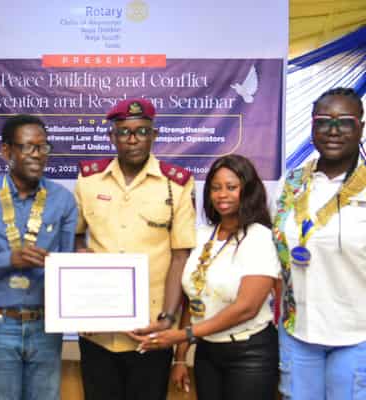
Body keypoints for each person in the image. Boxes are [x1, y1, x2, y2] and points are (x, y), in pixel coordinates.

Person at [74, 98, 196, 400]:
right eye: (124, 132)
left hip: (151, 329)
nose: (133, 139)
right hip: (97, 329)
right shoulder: (89, 179)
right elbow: (75, 238)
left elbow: (180, 256)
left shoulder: (177, 184)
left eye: (142, 131)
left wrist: (167, 318)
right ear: (112, 137)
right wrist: (81, 267)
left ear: (154, 135)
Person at [131, 154, 280, 400]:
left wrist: (184, 335)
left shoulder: (259, 237)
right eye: (215, 188)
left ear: (248, 191)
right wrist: (180, 357)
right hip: (208, 353)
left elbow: (247, 308)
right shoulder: (202, 235)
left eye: (231, 187)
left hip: (249, 353)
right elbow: (194, 300)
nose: (222, 195)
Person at [0, 114, 77, 400]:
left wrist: (73, 266)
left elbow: (68, 266)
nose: (37, 155)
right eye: (27, 147)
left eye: (43, 147)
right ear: (6, 151)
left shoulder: (62, 199)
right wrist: (9, 260)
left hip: (47, 324)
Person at [273, 87, 366, 399]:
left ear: (361, 127)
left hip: (357, 334)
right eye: (324, 121)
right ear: (312, 127)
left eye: (345, 122)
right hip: (298, 330)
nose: (333, 130)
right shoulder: (291, 184)